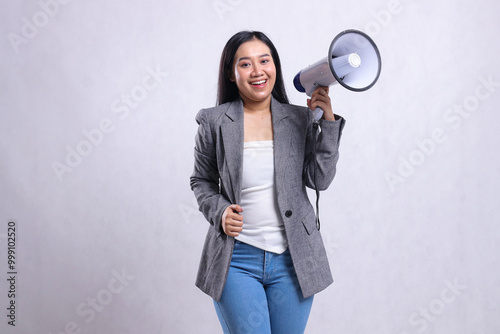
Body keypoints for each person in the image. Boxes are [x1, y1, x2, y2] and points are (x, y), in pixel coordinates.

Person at [190, 30, 345, 334]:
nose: (258, 71)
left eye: (265, 60)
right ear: (232, 74)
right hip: (236, 261)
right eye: (245, 64)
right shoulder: (214, 121)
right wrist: (219, 211)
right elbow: (201, 180)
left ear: (275, 66)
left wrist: (327, 125)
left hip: (294, 261)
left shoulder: (301, 118)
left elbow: (320, 179)